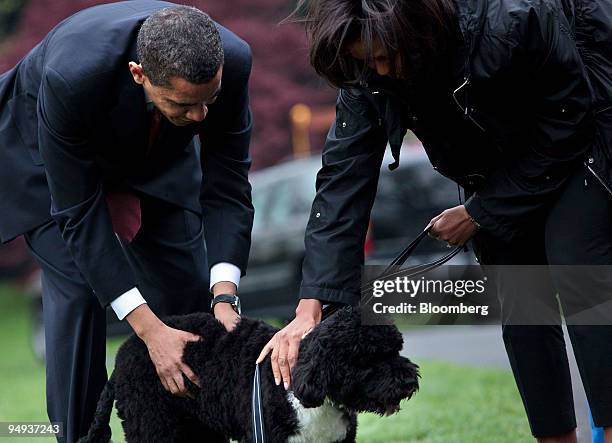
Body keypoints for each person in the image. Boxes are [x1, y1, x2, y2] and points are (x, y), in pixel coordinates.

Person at [257, 0, 612, 442]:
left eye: (387, 56)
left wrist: (481, 212)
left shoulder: (508, 21)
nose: (381, 70)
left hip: (576, 135)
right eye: (369, 62)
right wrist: (311, 303)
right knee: (523, 306)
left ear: (418, 29)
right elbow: (343, 183)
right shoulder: (367, 76)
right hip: (496, 170)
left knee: (582, 279)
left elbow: (569, 118)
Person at [0, 2, 254, 441]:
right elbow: (79, 216)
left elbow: (228, 186)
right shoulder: (72, 75)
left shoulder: (232, 62)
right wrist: (150, 331)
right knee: (79, 291)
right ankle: (80, 435)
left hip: (153, 154)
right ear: (140, 74)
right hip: (46, 159)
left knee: (189, 294)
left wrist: (225, 296)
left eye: (207, 100)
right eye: (183, 103)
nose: (199, 118)